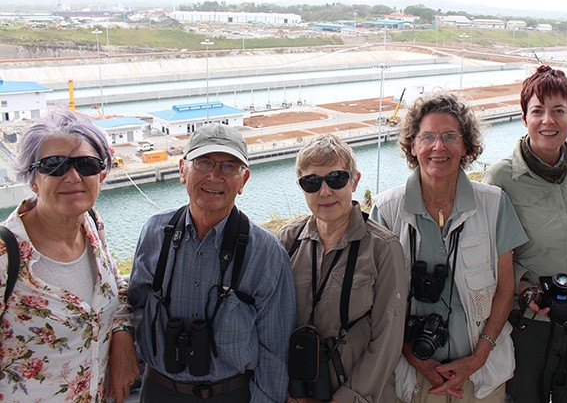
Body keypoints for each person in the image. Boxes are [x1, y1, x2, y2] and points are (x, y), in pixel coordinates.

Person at [371, 91, 528, 403]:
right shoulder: (387, 210)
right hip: (411, 375)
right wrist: (410, 354)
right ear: (412, 146)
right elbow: (376, 297)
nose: (438, 147)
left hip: (480, 373)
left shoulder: (494, 204)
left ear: (466, 146)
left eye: (450, 136)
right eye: (427, 137)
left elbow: (505, 287)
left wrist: (479, 355)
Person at [128, 123, 296, 402]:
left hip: (231, 393)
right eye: (203, 162)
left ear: (244, 181)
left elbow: (275, 351)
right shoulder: (155, 232)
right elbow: (136, 307)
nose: (215, 176)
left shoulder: (266, 252)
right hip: (157, 389)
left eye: (230, 167)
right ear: (182, 170)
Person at [482, 65, 567, 402]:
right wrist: (523, 286)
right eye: (537, 111)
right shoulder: (500, 179)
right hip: (529, 322)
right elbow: (485, 252)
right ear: (524, 117)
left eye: (558, 111)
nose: (548, 121)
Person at [0, 109, 139, 402]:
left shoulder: (91, 224)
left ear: (101, 175)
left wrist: (122, 334)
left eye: (87, 164)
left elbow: (116, 287)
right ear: (32, 179)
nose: (73, 175)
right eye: (54, 165)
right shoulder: (5, 255)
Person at [278, 134, 407, 402]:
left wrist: (348, 398)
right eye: (312, 182)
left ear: (355, 180)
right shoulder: (287, 241)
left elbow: (388, 340)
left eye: (336, 179)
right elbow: (272, 324)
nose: (324, 192)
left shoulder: (382, 248)